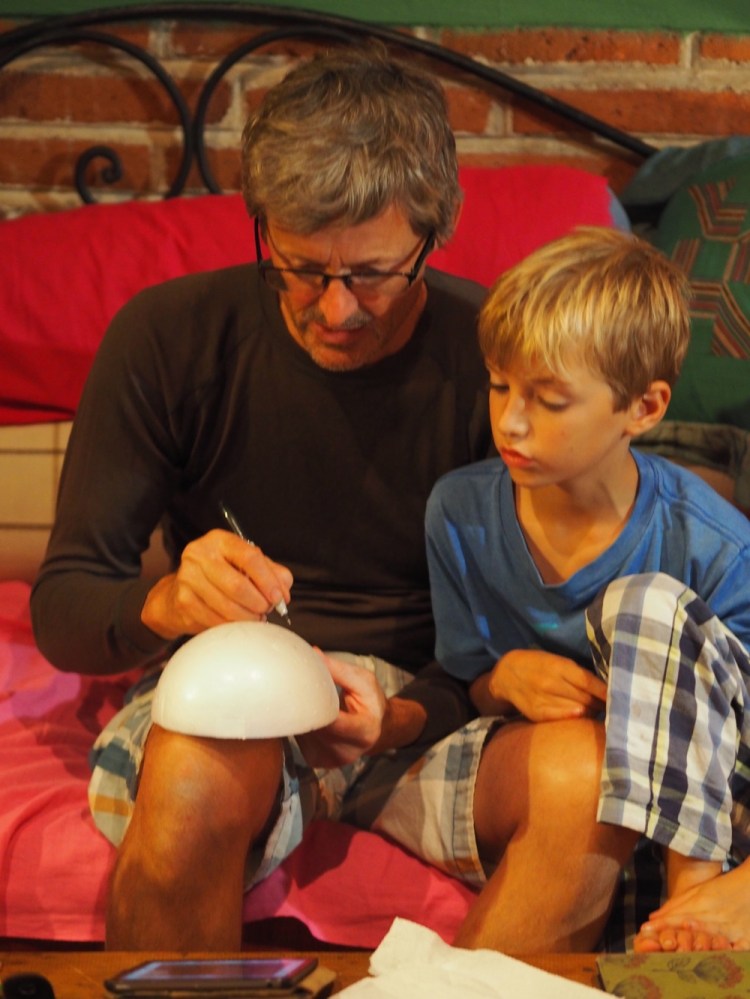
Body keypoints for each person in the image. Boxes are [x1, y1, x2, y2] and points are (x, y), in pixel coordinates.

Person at [30, 47, 495, 949]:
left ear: (431, 237)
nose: (335, 310)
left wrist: (404, 716)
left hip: (433, 698)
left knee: (578, 784)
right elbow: (65, 606)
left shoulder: (493, 354)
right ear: (261, 225)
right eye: (300, 267)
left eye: (372, 274)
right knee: (190, 781)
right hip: (235, 684)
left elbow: (525, 625)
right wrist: (166, 602)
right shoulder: (169, 336)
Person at [424, 226, 750, 952]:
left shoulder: (713, 544)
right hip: (575, 795)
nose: (510, 421)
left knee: (645, 604)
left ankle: (697, 893)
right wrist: (502, 679)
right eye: (500, 385)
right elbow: (467, 679)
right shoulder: (460, 512)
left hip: (714, 800)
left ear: (644, 408)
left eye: (549, 400)